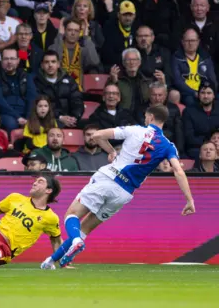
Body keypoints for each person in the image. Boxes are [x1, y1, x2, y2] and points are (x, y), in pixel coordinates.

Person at [40, 105, 195, 269]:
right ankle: (51, 261)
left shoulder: (135, 130)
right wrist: (189, 200)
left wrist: (112, 151)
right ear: (164, 121)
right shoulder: (168, 146)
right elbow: (178, 170)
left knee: (72, 215)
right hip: (124, 193)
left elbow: (97, 135)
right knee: (85, 228)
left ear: (149, 117)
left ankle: (75, 241)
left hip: (109, 177)